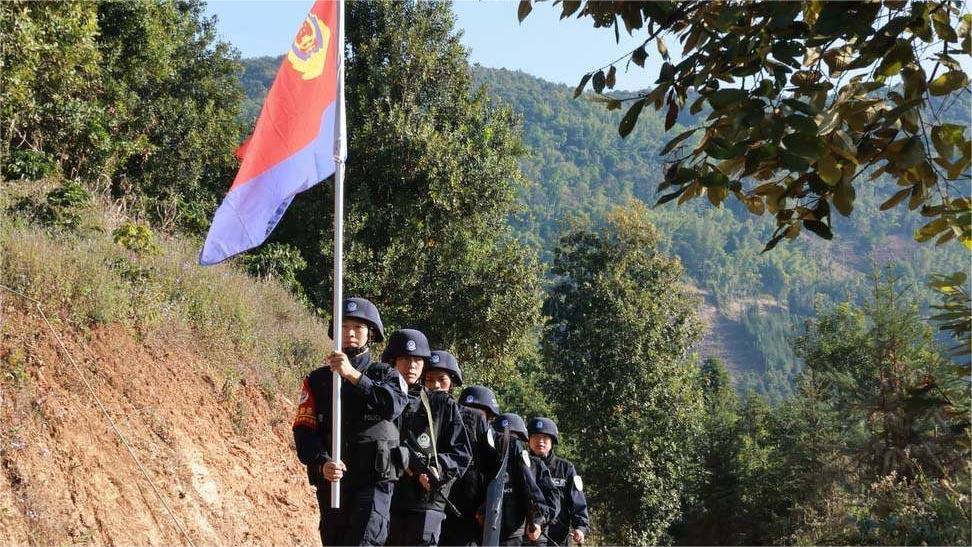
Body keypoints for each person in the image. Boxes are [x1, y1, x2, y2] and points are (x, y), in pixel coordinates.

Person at [293, 297, 408, 546]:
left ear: (371, 333)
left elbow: (393, 406)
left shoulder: (386, 375)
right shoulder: (317, 380)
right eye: (344, 327)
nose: (350, 334)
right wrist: (322, 462)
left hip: (373, 484)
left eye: (358, 328)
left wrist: (353, 376)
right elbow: (304, 431)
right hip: (334, 485)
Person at [387, 334, 473, 546]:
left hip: (426, 502)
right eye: (405, 359)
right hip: (387, 496)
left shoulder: (442, 404)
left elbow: (461, 453)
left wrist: (438, 468)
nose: (411, 366)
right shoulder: (382, 398)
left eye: (417, 360)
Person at [440, 384, 502, 546]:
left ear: (490, 418)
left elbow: (496, 485)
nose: (471, 417)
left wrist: (485, 508)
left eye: (479, 413)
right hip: (442, 515)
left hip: (473, 523)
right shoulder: (446, 436)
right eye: (467, 411)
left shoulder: (495, 449)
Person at [486, 413, 559, 546]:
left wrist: (539, 522)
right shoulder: (487, 465)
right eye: (502, 437)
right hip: (487, 535)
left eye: (515, 438)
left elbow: (551, 499)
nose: (508, 442)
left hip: (522, 537)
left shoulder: (535, 465)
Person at [525, 417, 589, 546]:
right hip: (526, 538)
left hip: (557, 539)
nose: (540, 441)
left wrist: (580, 528)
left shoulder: (566, 468)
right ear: (528, 440)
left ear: (552, 441)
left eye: (545, 437)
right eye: (536, 436)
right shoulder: (520, 466)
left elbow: (578, 502)